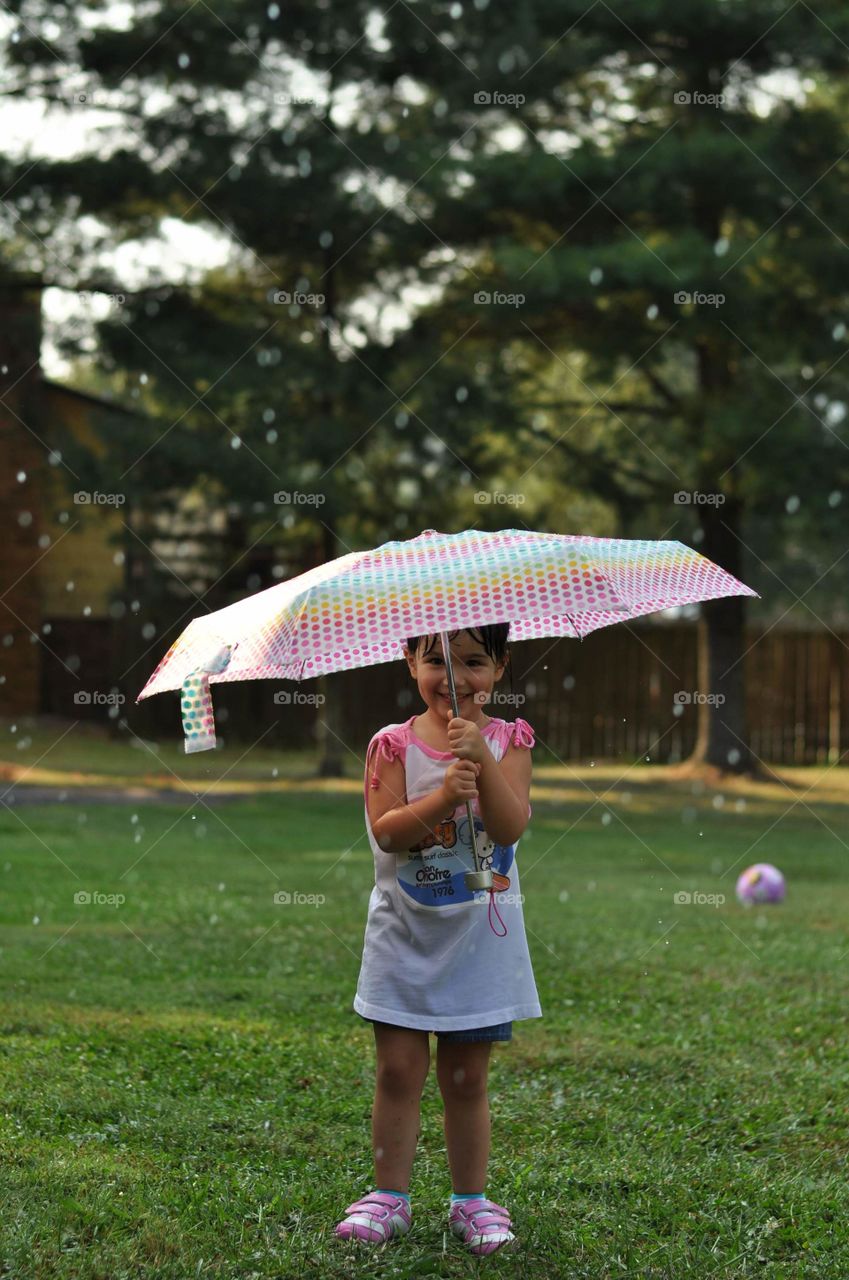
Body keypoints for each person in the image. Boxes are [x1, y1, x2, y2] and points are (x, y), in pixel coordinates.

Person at [334, 623, 542, 1255]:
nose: (457, 677)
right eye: (438, 662)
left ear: (501, 667)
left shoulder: (511, 741)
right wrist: (443, 799)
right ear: (410, 664)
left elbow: (512, 826)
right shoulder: (391, 746)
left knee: (465, 1078)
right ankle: (388, 1196)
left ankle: (470, 1201)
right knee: (398, 1070)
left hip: (480, 939)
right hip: (405, 936)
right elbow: (389, 833)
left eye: (475, 661)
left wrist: (480, 762)